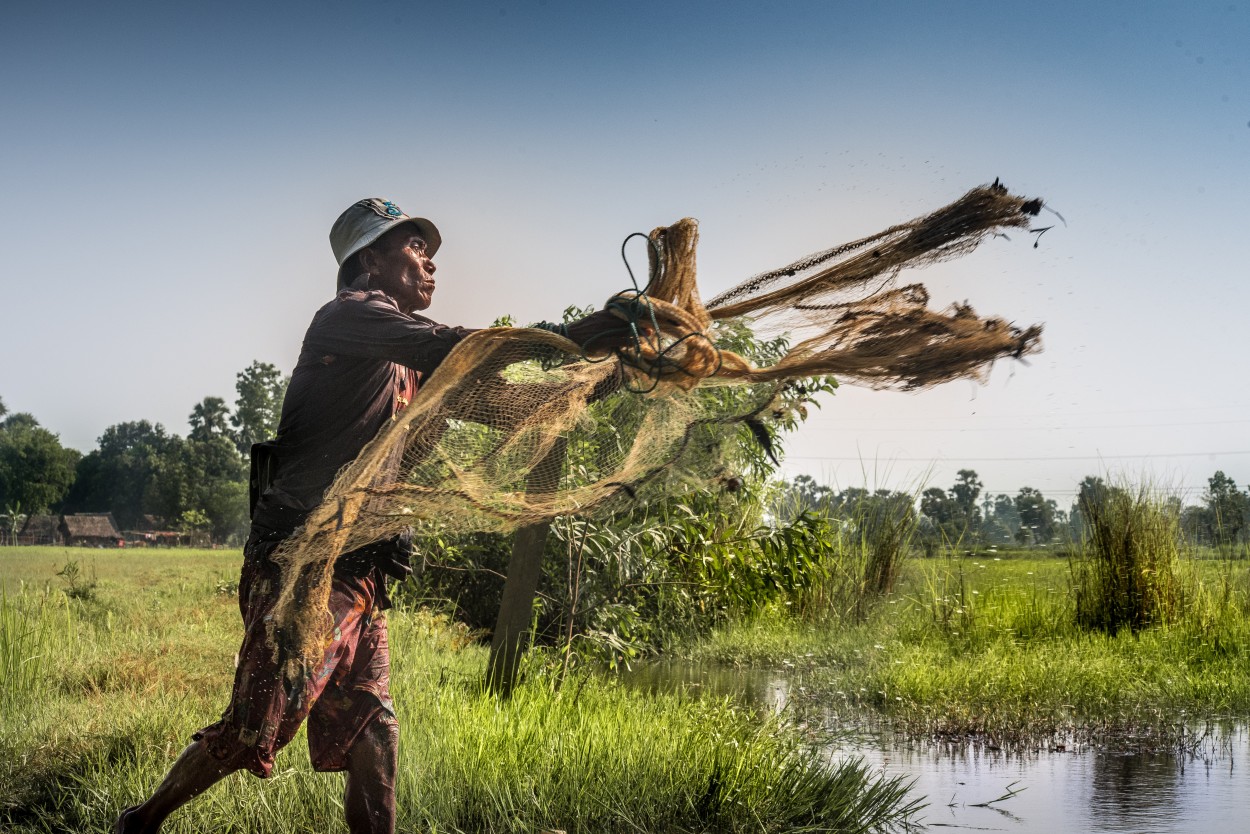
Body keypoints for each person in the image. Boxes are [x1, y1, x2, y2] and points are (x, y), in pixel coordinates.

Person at [115, 198, 632, 834]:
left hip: (362, 572)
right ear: (370, 261)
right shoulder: (348, 318)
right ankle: (140, 823)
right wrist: (579, 332)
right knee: (258, 724)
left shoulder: (412, 363)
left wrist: (613, 373)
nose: (432, 262)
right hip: (304, 564)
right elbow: (459, 347)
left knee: (374, 733)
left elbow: (508, 405)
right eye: (415, 247)